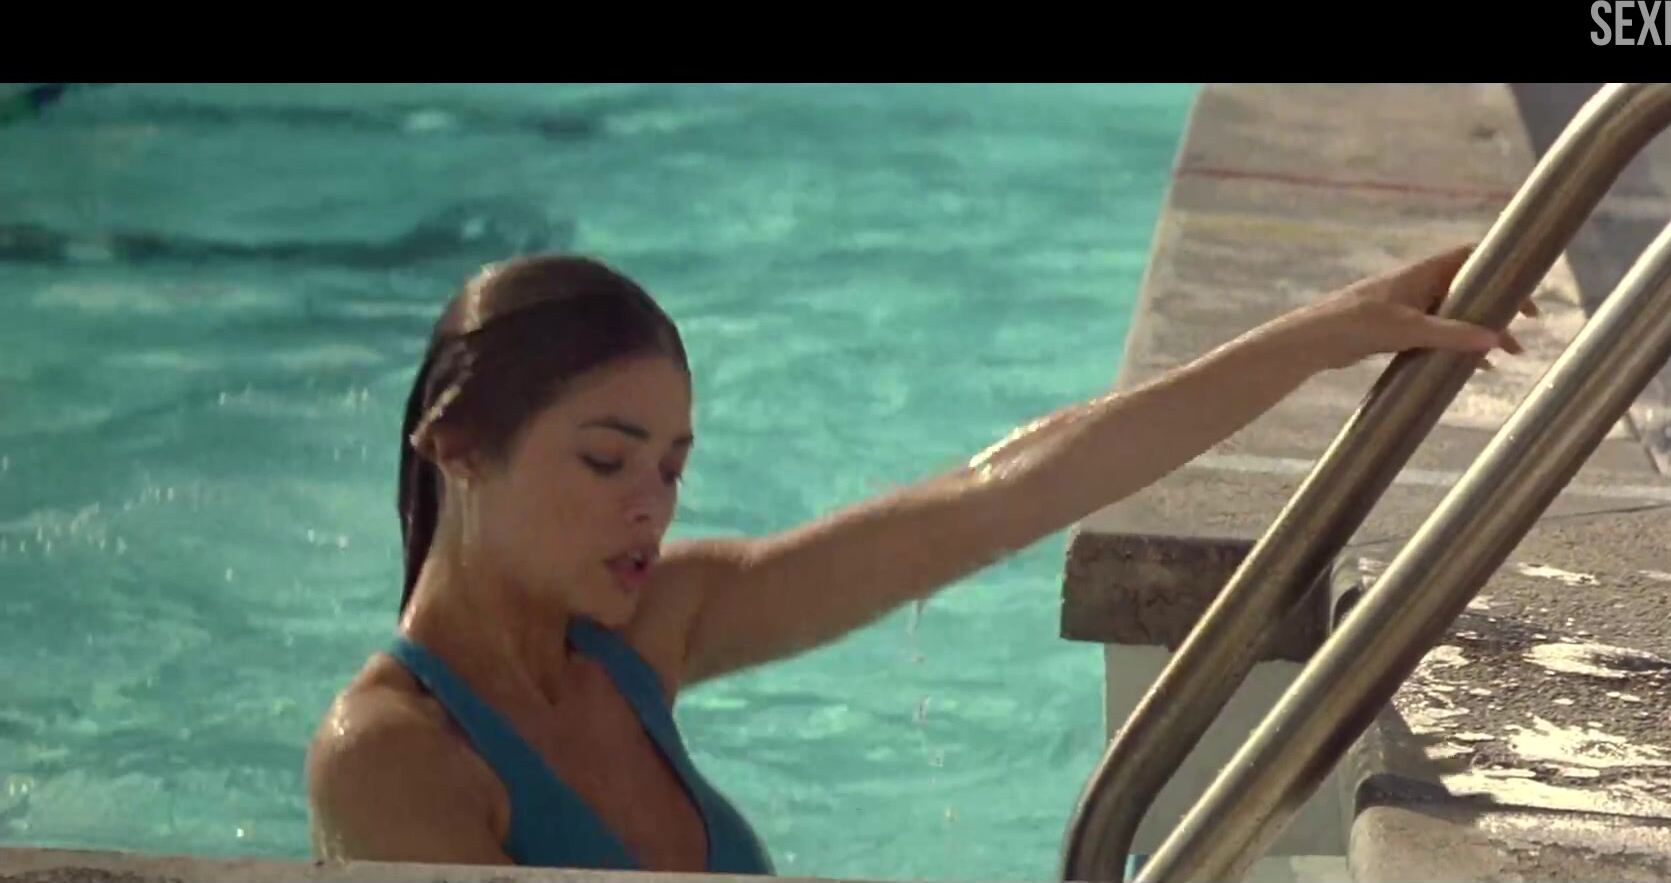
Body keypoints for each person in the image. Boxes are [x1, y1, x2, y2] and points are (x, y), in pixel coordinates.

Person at [304, 244, 1531, 873]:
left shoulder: (650, 633)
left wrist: (1321, 335)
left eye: (671, 467)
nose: (651, 508)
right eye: (605, 459)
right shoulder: (394, 756)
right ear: (457, 447)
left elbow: (1002, 492)